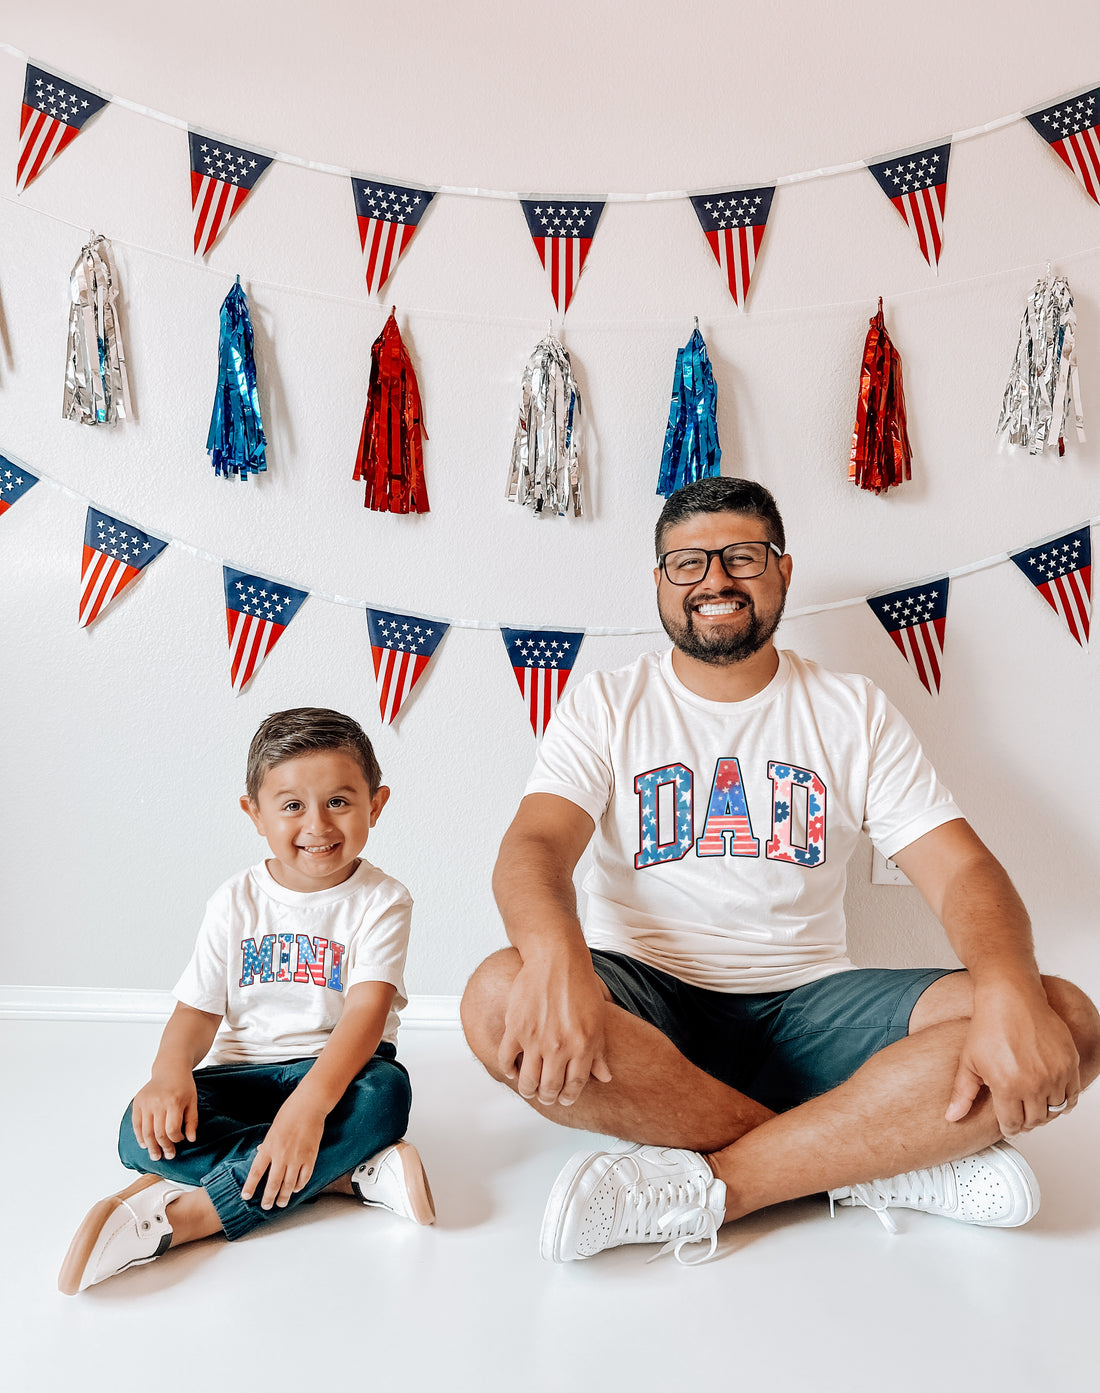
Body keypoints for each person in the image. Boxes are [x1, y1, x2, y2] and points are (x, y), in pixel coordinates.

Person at [461, 476, 1100, 1265]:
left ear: (784, 570)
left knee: (1063, 1015)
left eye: (741, 556)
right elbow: (533, 847)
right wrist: (557, 956)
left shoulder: (850, 709)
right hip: (645, 1004)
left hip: (811, 1005)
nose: (715, 580)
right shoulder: (607, 703)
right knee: (495, 996)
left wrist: (1007, 988)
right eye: (687, 563)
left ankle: (718, 1183)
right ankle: (867, 1159)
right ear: (659, 583)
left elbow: (961, 867)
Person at [59, 707, 434, 1295]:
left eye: (339, 801)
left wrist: (307, 1112)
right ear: (253, 814)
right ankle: (341, 1177)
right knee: (137, 1133)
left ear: (376, 804)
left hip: (338, 1077)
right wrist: (169, 1074)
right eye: (291, 806)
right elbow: (199, 1010)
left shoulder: (382, 900)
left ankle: (189, 1218)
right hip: (241, 1077)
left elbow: (365, 1016)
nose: (317, 824)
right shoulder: (234, 900)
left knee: (387, 1097)